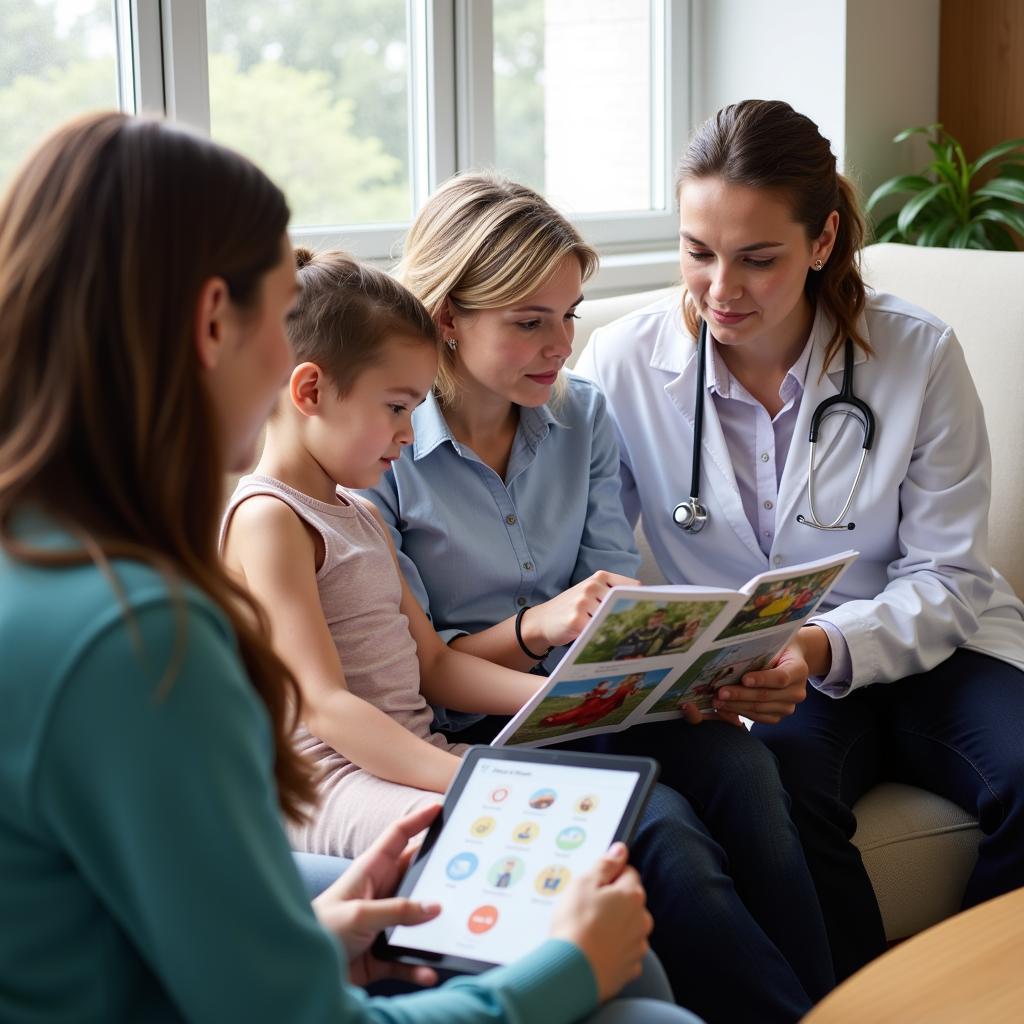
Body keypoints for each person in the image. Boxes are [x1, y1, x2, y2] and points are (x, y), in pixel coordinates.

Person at [0, 111, 698, 1024]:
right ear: (217, 320)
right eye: (281, 298)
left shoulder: (55, 562)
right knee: (645, 1001)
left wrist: (312, 929)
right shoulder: (136, 637)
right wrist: (568, 966)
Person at [365, 172, 837, 1023]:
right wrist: (537, 626)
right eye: (529, 322)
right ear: (447, 320)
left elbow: (615, 593)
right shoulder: (381, 450)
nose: (561, 343)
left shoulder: (582, 415)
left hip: (596, 701)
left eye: (570, 315)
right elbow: (420, 664)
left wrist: (673, 665)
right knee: (665, 833)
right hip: (484, 724)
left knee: (747, 773)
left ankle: (844, 1005)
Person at [574, 98, 1024, 983]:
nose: (720, 290)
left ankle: (974, 993)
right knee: (774, 793)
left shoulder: (916, 353)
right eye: (698, 253)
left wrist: (820, 642)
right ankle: (857, 1001)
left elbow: (952, 571)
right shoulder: (624, 363)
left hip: (943, 646)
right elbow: (599, 563)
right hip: (769, 679)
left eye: (757, 259)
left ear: (822, 242)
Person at [221, 249, 550, 859]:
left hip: (407, 756)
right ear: (311, 389)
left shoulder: (364, 514)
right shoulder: (269, 518)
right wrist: (469, 780)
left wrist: (559, 698)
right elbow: (324, 706)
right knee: (502, 836)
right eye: (396, 407)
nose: (407, 430)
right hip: (326, 783)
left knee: (590, 813)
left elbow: (436, 666)